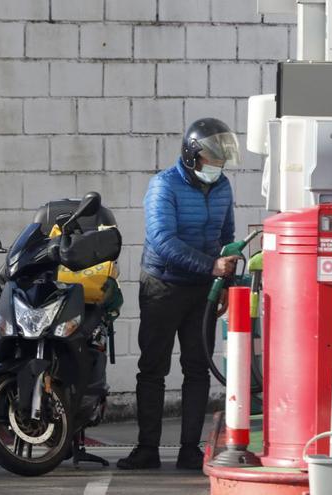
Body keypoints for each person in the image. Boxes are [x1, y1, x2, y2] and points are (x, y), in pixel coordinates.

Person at [117, 118, 241, 471]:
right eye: (211, 162)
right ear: (191, 157)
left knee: (197, 369)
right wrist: (211, 267)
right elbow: (163, 241)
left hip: (202, 288)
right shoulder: (163, 186)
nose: (216, 169)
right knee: (153, 368)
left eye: (221, 163)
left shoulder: (223, 188)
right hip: (163, 286)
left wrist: (225, 284)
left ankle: (189, 449)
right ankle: (147, 449)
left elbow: (226, 235)